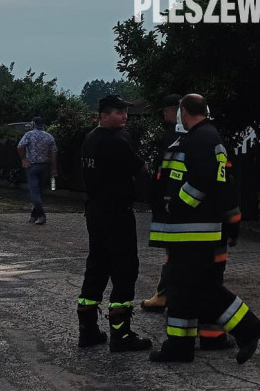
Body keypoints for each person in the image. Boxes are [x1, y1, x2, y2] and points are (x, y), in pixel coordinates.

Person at [148, 94, 260, 364]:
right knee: (181, 289)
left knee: (199, 288)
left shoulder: (202, 137)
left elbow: (204, 180)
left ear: (184, 111)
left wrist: (177, 204)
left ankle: (248, 327)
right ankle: (179, 345)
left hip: (193, 230)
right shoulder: (201, 136)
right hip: (189, 231)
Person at [76, 94, 152, 352]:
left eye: (125, 111)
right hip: (117, 213)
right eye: (118, 112)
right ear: (103, 115)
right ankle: (121, 333)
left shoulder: (89, 139)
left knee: (97, 265)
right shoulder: (117, 140)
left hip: (95, 211)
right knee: (124, 269)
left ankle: (87, 329)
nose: (124, 116)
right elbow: (141, 170)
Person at [139, 93, 182, 313]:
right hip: (173, 205)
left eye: (165, 110)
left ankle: (165, 295)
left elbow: (166, 173)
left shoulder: (174, 137)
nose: (163, 114)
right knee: (173, 254)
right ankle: (164, 293)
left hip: (171, 206)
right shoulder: (185, 135)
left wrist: (160, 197)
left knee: (174, 254)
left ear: (175, 110)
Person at [17, 117, 57, 225]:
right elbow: (53, 154)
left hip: (32, 166)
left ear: (33, 124)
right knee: (40, 191)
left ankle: (41, 215)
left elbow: (20, 146)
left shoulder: (29, 134)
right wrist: (53, 168)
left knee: (34, 191)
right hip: (45, 166)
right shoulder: (49, 136)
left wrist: (24, 159)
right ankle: (34, 215)